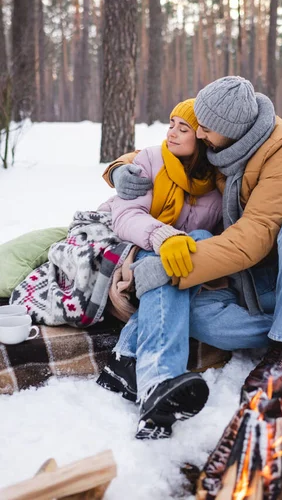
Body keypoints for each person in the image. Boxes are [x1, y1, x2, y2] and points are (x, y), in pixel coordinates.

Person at [103, 76, 282, 408]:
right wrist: (120, 169)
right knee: (199, 319)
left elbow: (254, 237)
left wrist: (170, 269)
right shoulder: (221, 143)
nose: (199, 132)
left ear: (228, 128)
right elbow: (168, 150)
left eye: (204, 127)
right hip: (254, 273)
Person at [97, 99, 223, 439]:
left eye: (184, 128)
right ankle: (157, 381)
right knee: (179, 251)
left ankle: (125, 358)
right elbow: (124, 217)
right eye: (170, 124)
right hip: (131, 251)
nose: (172, 133)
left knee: (196, 240)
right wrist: (165, 237)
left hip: (173, 264)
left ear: (204, 138)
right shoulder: (149, 160)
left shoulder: (218, 183)